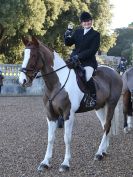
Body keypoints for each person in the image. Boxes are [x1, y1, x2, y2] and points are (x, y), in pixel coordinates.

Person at [64, 11, 100, 107]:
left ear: (91, 21)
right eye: (84, 21)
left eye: (88, 20)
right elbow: (68, 43)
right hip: (74, 61)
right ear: (81, 23)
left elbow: (92, 50)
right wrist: (67, 33)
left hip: (88, 62)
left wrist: (79, 56)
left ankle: (92, 97)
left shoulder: (96, 34)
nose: (86, 23)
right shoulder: (78, 32)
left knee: (87, 76)